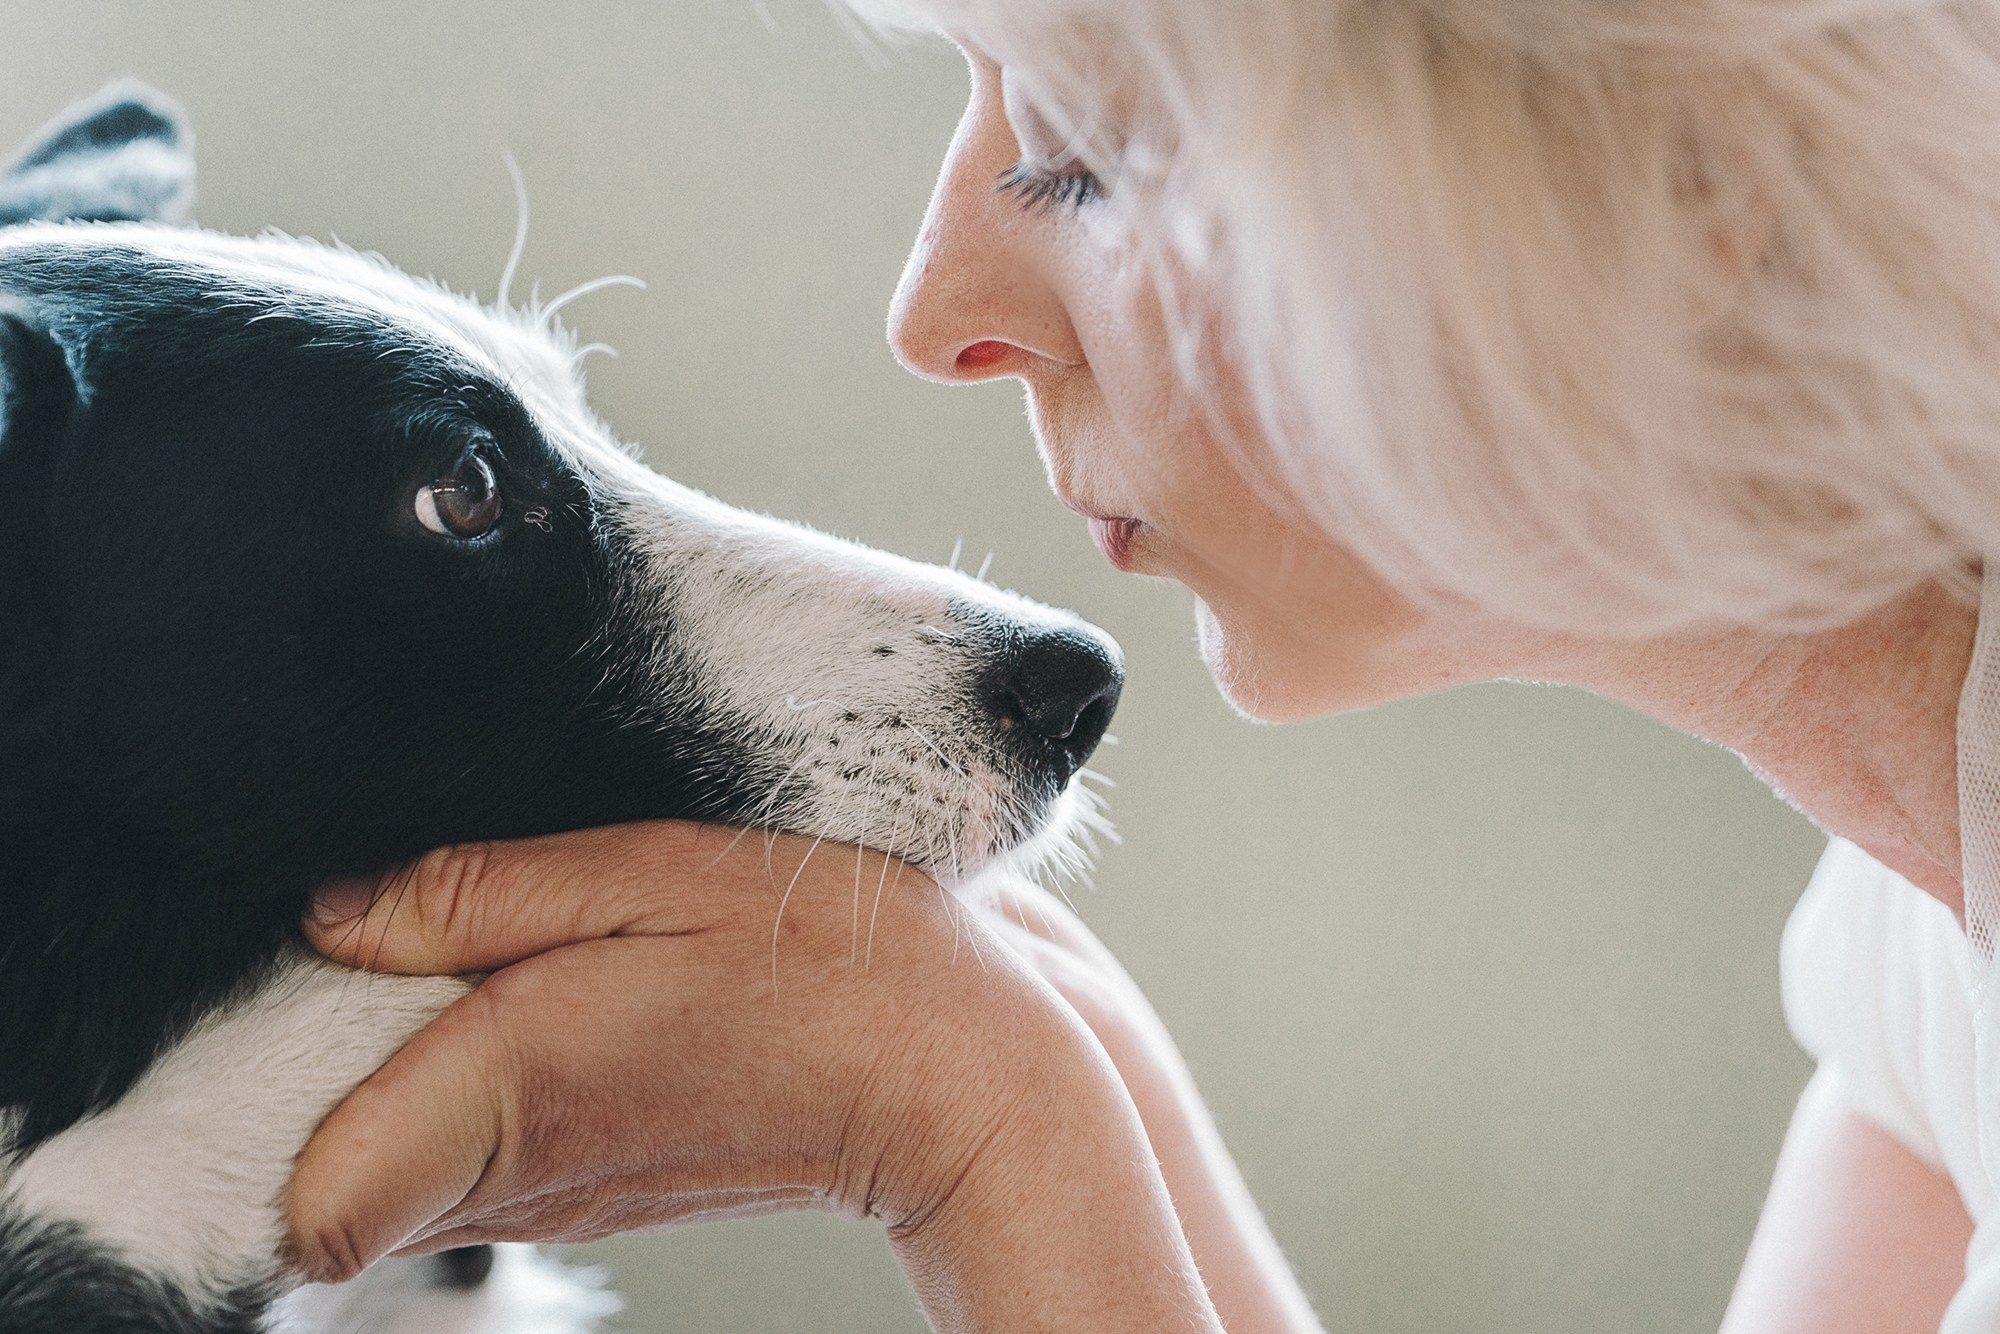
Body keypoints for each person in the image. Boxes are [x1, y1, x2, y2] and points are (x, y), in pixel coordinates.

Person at [282, 0, 2000, 1328]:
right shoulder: (1923, 923)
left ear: (1667, 168)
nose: (935, 306)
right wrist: (1035, 1019)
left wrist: (972, 1128)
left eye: (1091, 149)